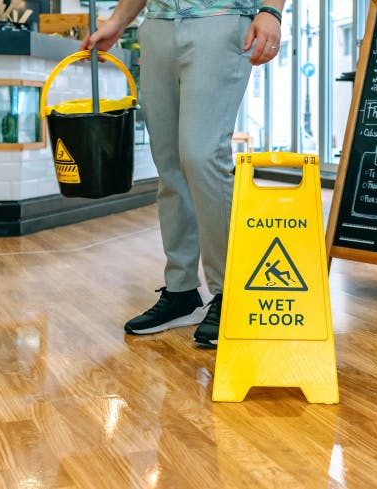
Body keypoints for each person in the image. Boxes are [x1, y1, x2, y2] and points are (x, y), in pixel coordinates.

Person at [82, 0, 285, 348]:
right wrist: (118, 21)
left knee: (202, 154)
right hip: (158, 25)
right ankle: (181, 292)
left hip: (220, 20)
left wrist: (272, 10)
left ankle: (231, 293)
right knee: (169, 163)